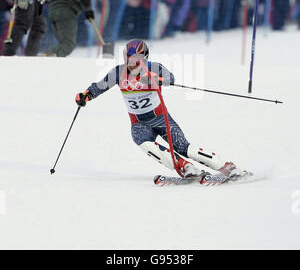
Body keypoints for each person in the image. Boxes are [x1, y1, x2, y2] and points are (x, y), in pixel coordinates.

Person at [75, 38, 245, 179]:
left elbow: (171, 78)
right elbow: (99, 87)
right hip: (139, 122)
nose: (132, 64)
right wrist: (85, 96)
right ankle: (185, 167)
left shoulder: (154, 68)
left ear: (145, 58)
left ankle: (227, 167)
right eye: (128, 59)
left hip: (161, 118)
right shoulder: (118, 73)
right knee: (144, 142)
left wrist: (156, 78)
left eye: (137, 59)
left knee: (182, 146)